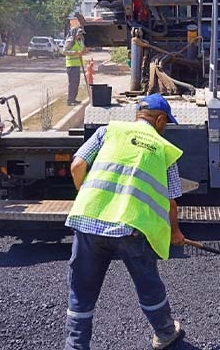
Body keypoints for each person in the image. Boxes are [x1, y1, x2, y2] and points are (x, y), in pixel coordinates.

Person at [64, 94, 186, 350]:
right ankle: (165, 333)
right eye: (166, 123)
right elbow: (171, 202)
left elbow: (77, 166)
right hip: (131, 228)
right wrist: (175, 233)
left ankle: (75, 346)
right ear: (160, 119)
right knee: (147, 283)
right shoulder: (164, 150)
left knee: (81, 291)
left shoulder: (108, 131)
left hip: (88, 222)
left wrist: (87, 197)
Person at [64, 27, 87, 106]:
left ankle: (74, 99)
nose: (80, 35)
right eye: (79, 34)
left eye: (81, 34)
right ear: (75, 33)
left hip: (77, 65)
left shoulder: (79, 41)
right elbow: (64, 51)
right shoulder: (70, 41)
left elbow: (81, 51)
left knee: (76, 83)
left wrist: (84, 50)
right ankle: (70, 100)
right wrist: (76, 53)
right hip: (71, 66)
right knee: (72, 83)